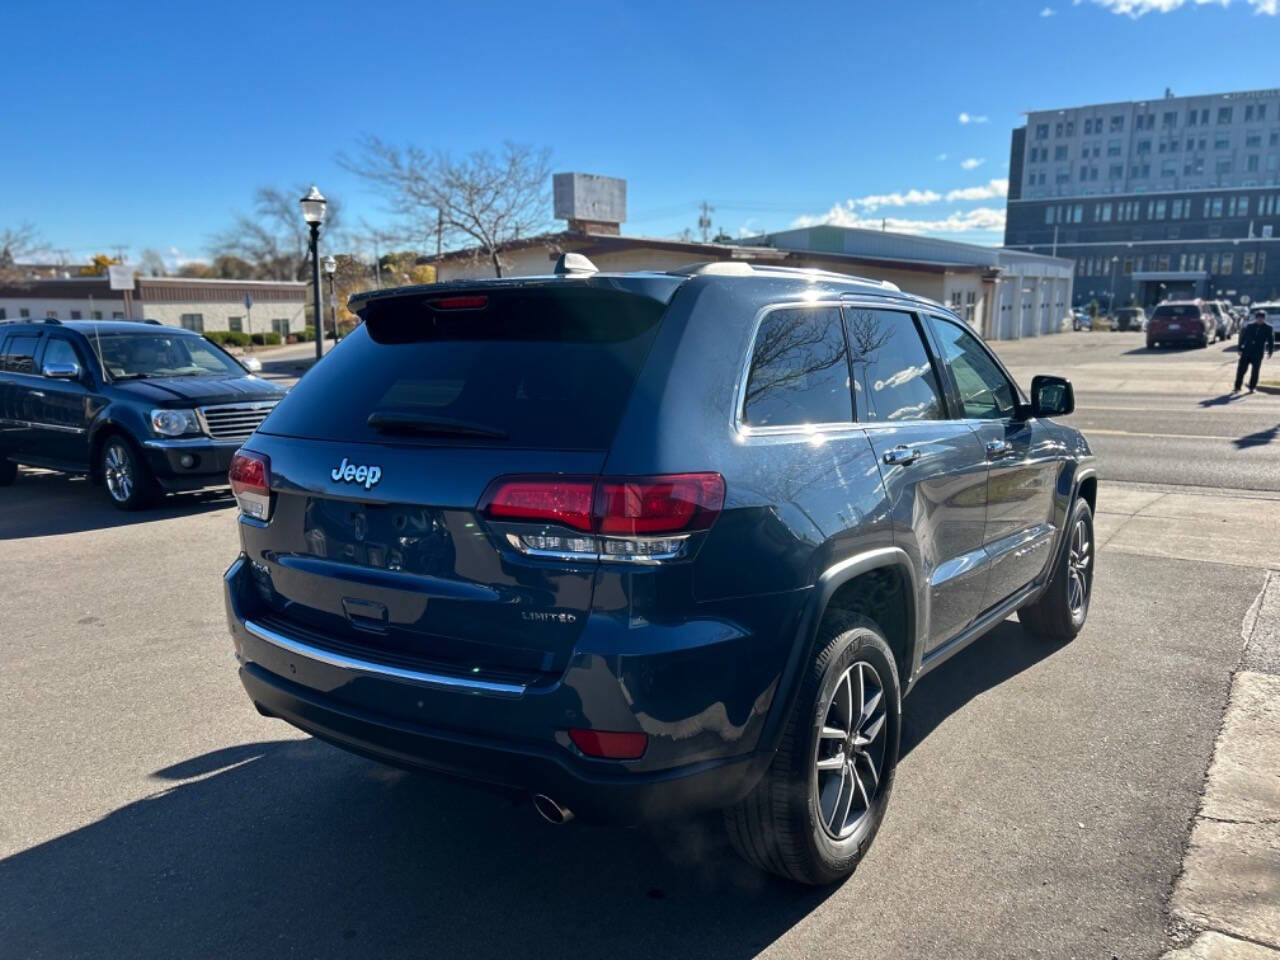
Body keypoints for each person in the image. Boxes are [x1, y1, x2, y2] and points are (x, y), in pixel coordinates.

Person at [1235, 308, 1276, 393]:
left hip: (1258, 352)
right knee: (1241, 370)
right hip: (1246, 351)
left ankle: (1252, 387)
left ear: (1264, 318)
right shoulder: (1250, 326)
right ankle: (1237, 386)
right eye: (1258, 317)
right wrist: (1239, 348)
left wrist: (1270, 351)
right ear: (1255, 318)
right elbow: (1243, 338)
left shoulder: (1268, 328)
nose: (1260, 319)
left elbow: (1271, 341)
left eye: (1262, 318)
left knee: (1255, 371)